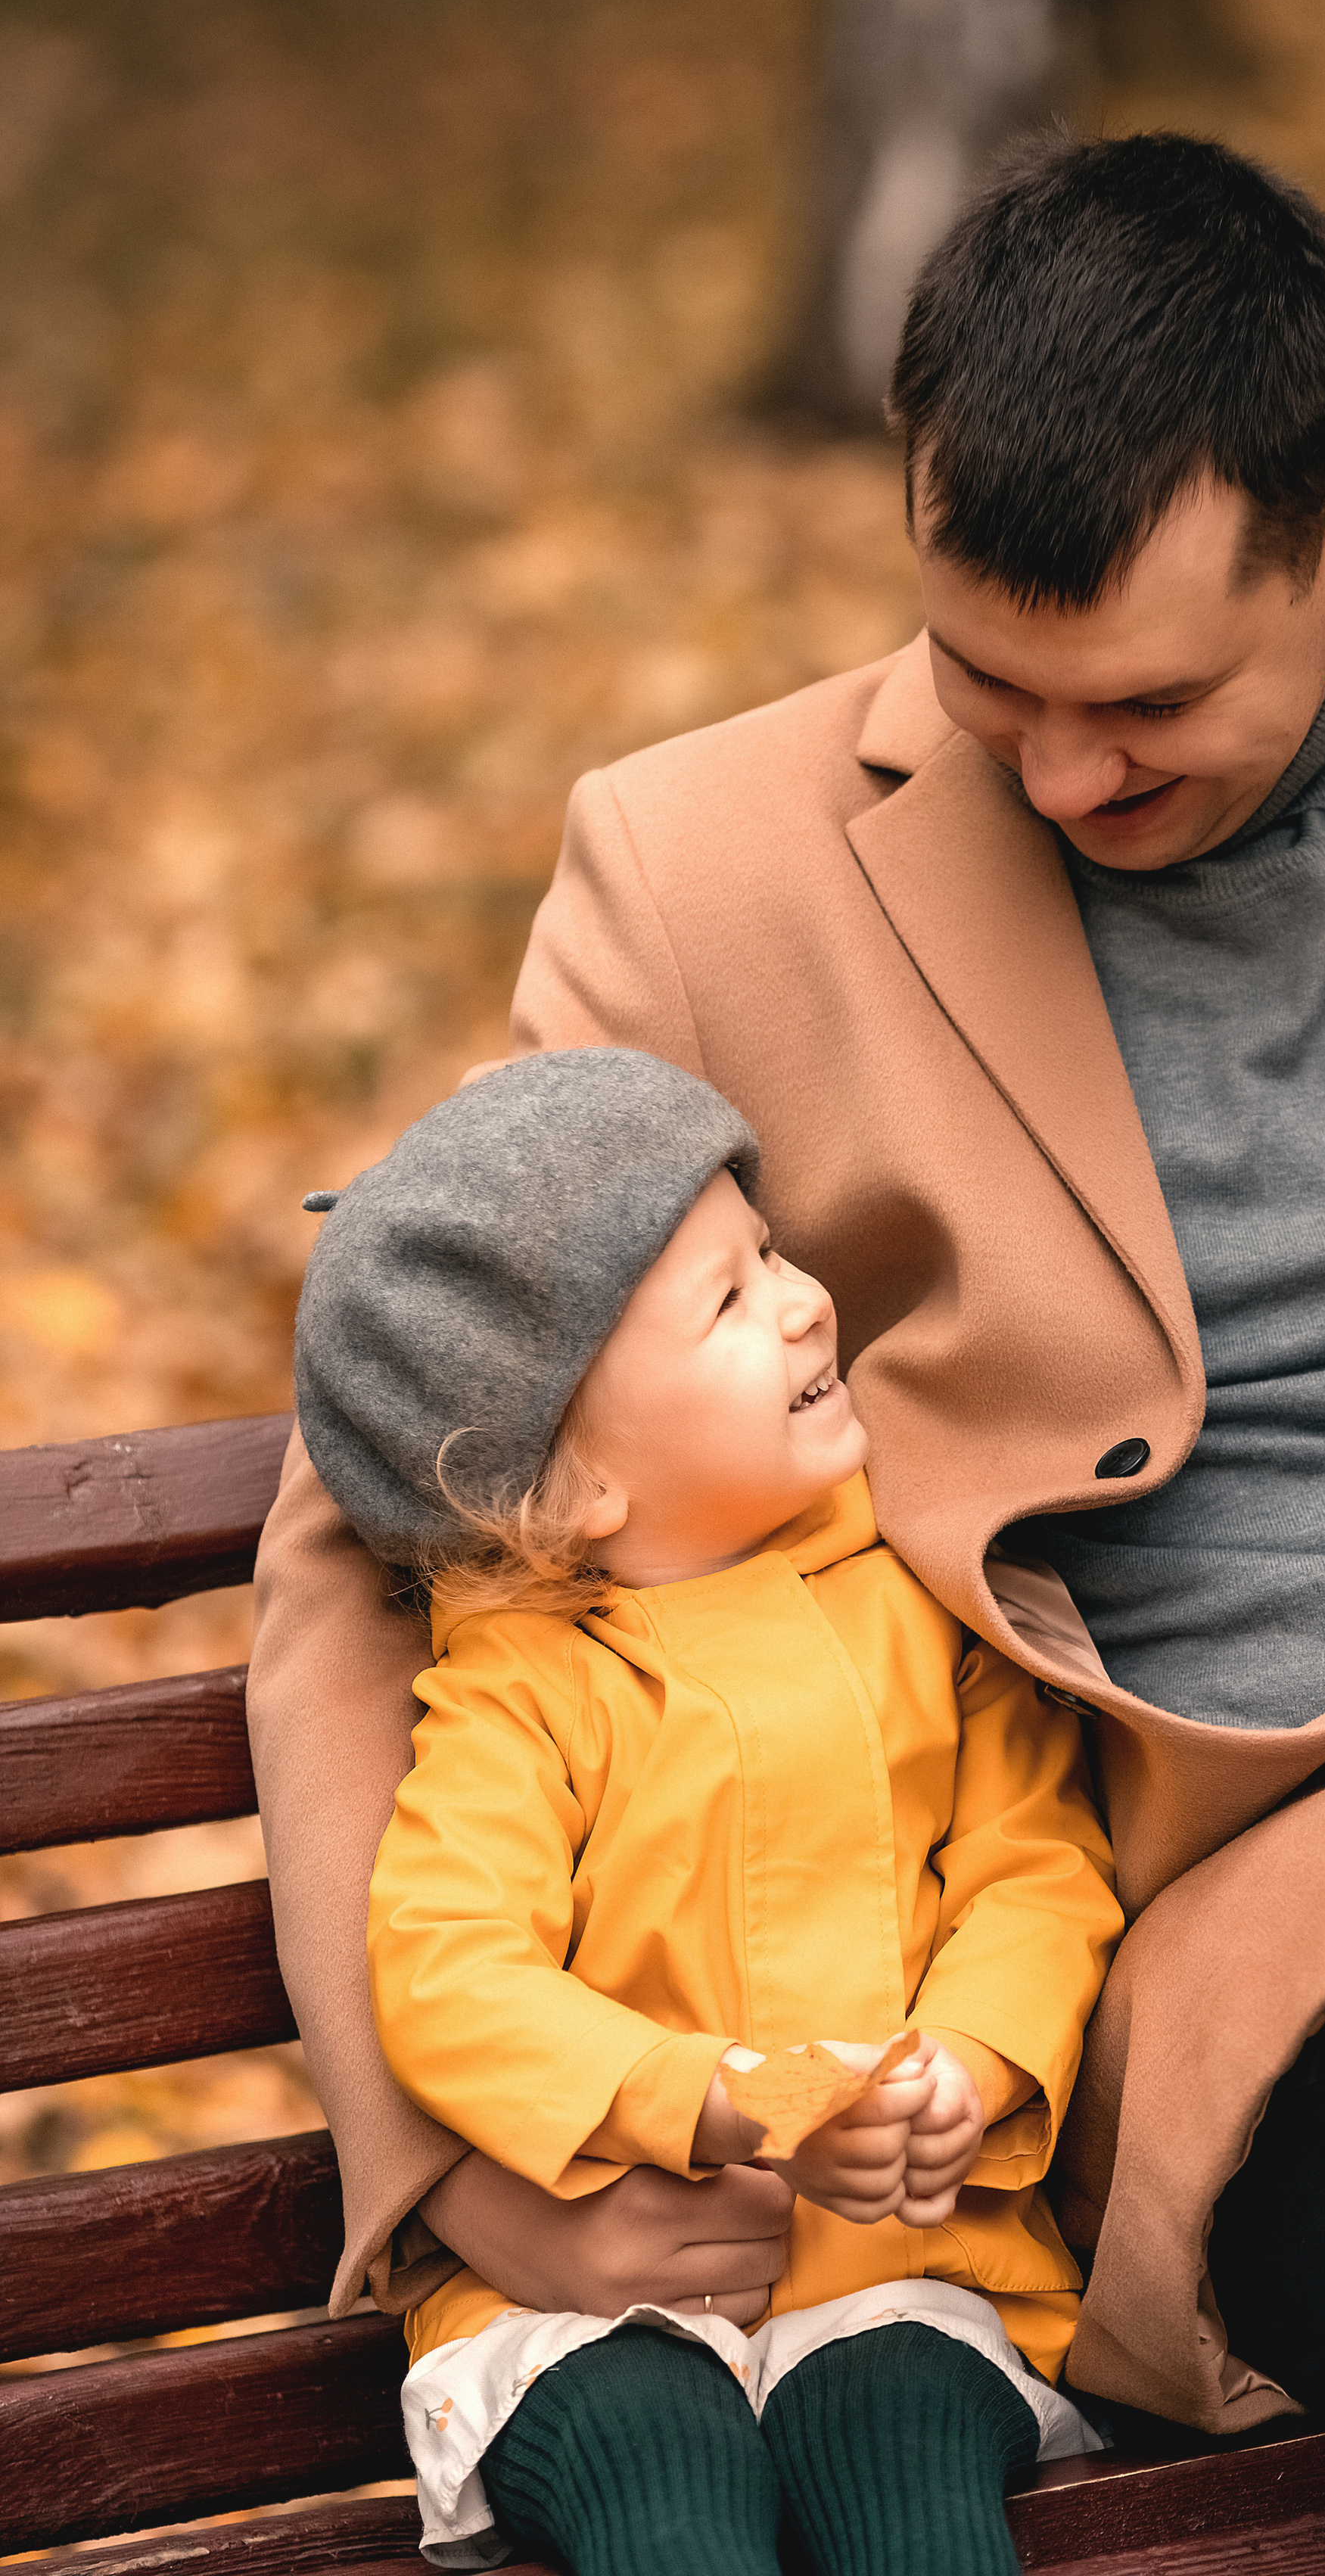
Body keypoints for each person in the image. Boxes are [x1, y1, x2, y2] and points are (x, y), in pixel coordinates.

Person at [249, 132, 1325, 2574]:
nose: (1060, 776)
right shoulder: (709, 873)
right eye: (986, 687)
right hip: (1269, 2026)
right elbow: (373, 1535)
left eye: (1146, 705)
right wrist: (460, 2194)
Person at [289, 1044, 1121, 2574]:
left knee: (906, 2447)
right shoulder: (516, 1697)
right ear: (576, 1482)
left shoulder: (917, 1602)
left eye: (772, 1251)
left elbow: (1031, 1860)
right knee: (656, 2482)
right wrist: (707, 2096)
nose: (805, 1300)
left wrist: (974, 2056)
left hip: (893, 2267)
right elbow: (452, 1973)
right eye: (730, 1303)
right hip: (589, 2289)